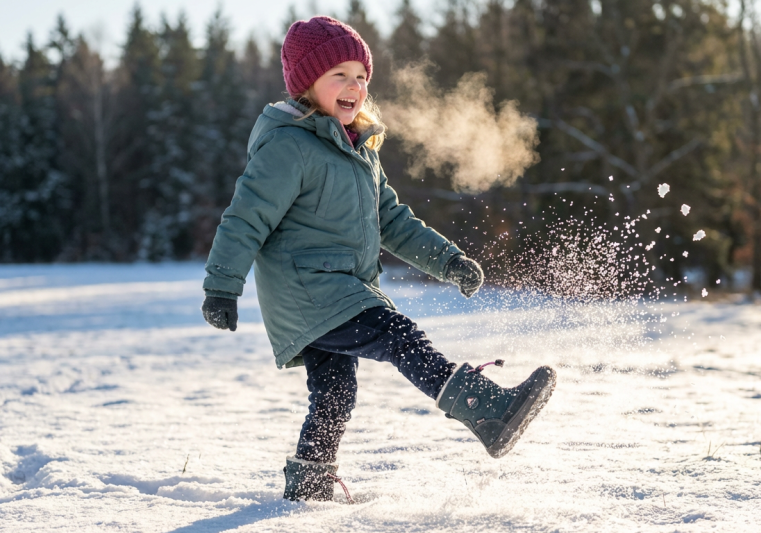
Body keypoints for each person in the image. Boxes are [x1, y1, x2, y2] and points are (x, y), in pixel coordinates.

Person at [200, 16, 556, 503]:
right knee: (398, 335)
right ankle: (486, 410)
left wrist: (448, 261)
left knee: (334, 395)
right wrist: (221, 286)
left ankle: (308, 486)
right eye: (339, 76)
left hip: (342, 288)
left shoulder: (359, 147)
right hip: (310, 292)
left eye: (361, 77)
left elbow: (392, 218)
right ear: (308, 84)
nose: (354, 87)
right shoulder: (288, 145)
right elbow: (245, 217)